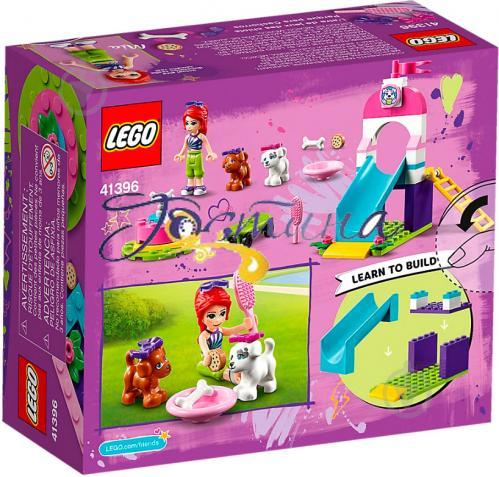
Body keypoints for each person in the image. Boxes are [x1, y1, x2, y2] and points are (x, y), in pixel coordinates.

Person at [174, 101, 217, 196]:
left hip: (197, 156)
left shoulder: (201, 136)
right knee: (189, 172)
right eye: (187, 123)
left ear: (200, 124)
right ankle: (190, 186)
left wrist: (210, 153)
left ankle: (200, 186)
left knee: (198, 171)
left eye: (193, 123)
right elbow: (184, 147)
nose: (189, 126)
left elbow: (207, 146)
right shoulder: (187, 137)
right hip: (189, 156)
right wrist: (180, 154)